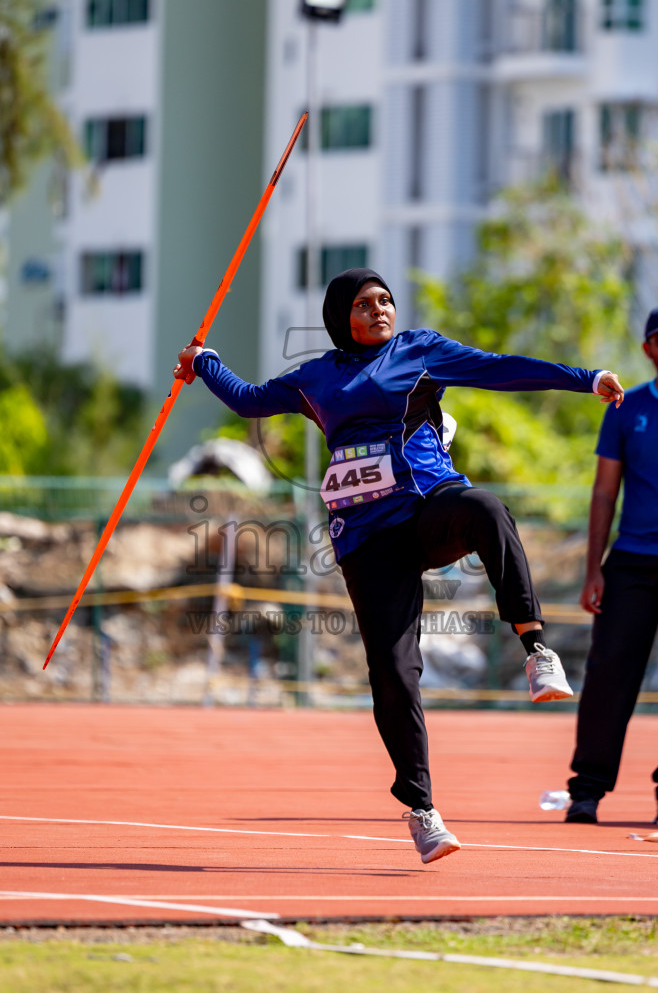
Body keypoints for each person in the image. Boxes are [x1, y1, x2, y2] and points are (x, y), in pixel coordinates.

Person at [174, 268, 624, 862]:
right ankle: (423, 811)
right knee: (392, 671)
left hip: (430, 506)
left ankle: (536, 648)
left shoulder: (420, 351)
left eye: (385, 300)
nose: (380, 310)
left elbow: (502, 367)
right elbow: (249, 399)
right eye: (364, 305)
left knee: (487, 509)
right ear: (342, 317)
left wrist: (586, 379)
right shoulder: (315, 378)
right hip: (365, 537)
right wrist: (203, 360)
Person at [566, 306, 658, 826]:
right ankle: (587, 790)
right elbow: (604, 491)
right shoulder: (625, 408)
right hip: (632, 561)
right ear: (647, 349)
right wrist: (594, 569)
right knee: (609, 675)